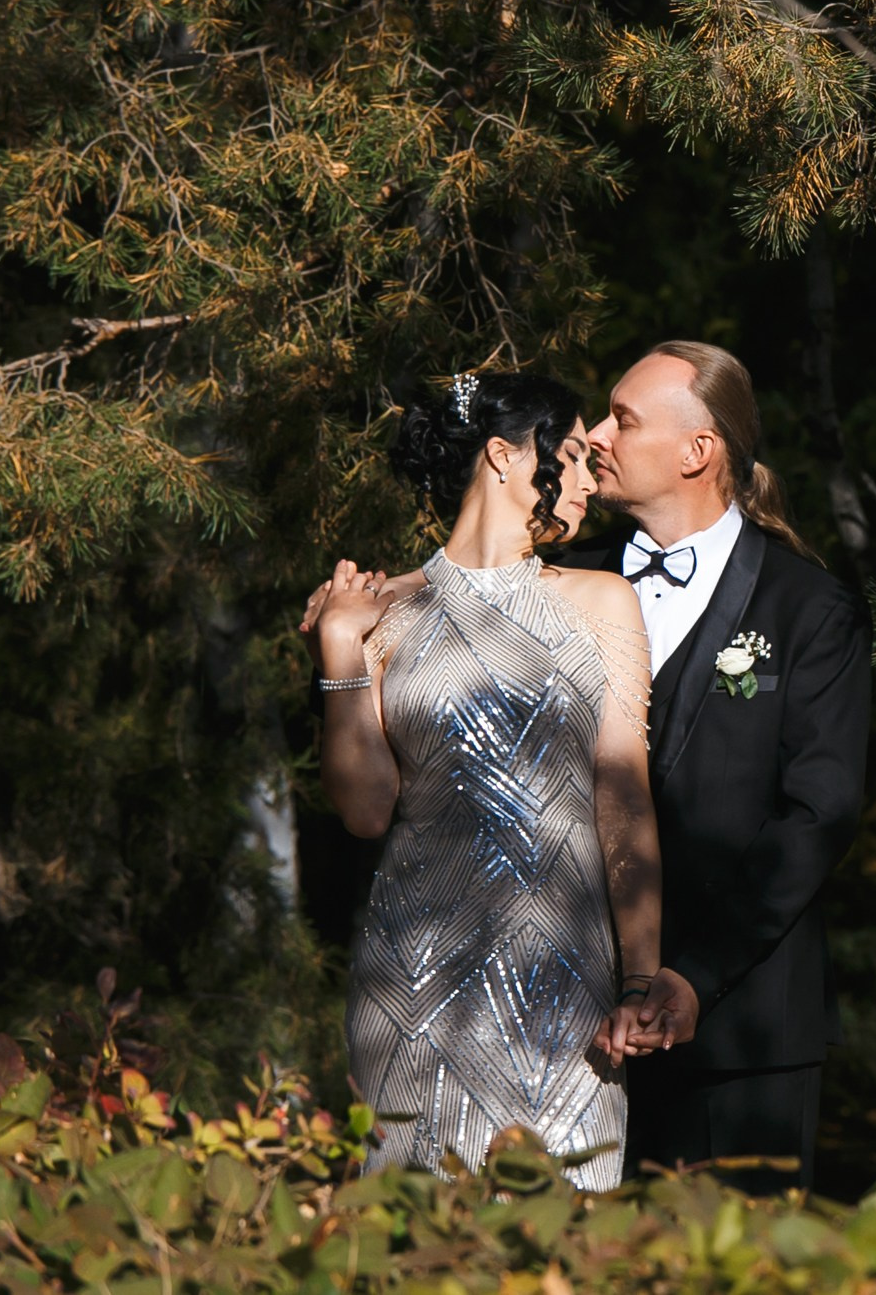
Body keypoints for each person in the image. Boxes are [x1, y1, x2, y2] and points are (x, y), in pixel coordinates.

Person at [299, 371, 666, 1190]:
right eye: (569, 455)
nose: (585, 479)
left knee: (564, 1240)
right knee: (416, 1247)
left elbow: (623, 799)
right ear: (503, 456)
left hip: (566, 985)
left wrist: (640, 976)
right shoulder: (382, 611)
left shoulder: (603, 602)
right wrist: (337, 648)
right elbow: (365, 810)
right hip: (414, 983)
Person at [564, 341, 871, 1193]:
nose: (593, 434)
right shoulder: (560, 586)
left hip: (742, 1039)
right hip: (566, 1034)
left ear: (699, 451)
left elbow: (819, 814)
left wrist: (695, 975)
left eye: (621, 418)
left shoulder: (809, 609)